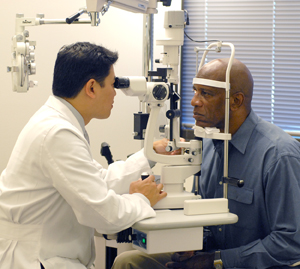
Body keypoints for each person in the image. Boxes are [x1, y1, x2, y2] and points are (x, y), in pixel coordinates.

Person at [0, 42, 177, 269]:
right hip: (37, 258)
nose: (115, 93)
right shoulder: (57, 133)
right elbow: (103, 215)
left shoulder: (57, 122)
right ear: (91, 88)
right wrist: (142, 200)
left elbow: (98, 180)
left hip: (47, 253)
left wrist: (149, 154)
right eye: (113, 85)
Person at [111, 58, 300, 269]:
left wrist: (216, 261)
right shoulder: (208, 145)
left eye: (206, 94)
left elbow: (291, 244)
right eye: (195, 91)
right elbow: (207, 220)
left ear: (236, 101)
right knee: (128, 262)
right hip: (211, 257)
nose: (194, 101)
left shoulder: (278, 156)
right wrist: (192, 243)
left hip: (252, 264)